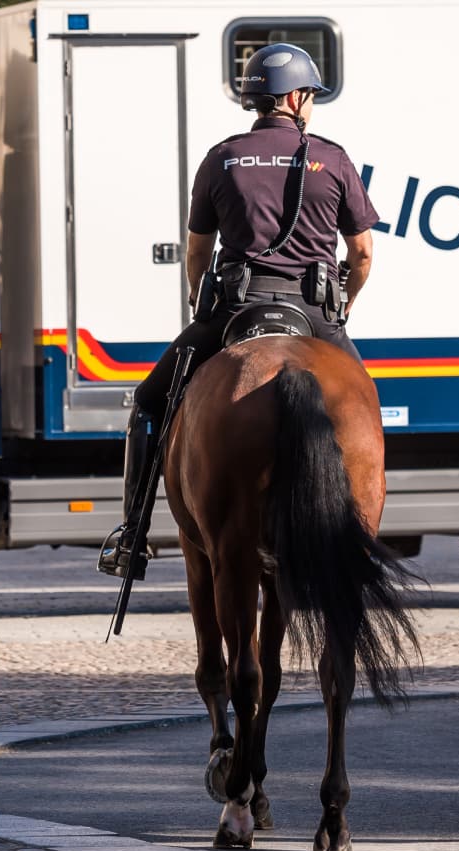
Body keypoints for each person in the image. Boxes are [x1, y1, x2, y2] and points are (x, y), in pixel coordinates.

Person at [97, 42, 379, 578]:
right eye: (310, 96)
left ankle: (132, 535)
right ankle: (361, 535)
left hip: (235, 311)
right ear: (295, 97)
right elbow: (362, 254)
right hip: (313, 314)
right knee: (362, 409)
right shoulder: (333, 158)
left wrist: (196, 299)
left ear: (259, 100)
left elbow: (198, 251)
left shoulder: (221, 157)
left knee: (150, 403)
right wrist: (343, 306)